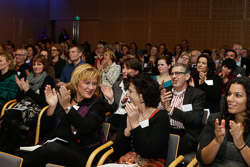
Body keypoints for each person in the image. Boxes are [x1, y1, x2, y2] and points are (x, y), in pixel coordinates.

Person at [22, 64, 108, 167]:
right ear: (76, 83)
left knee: (51, 149)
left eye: (94, 84)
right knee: (24, 151)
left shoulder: (98, 104)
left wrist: (67, 107)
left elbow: (85, 128)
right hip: (53, 147)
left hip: (81, 153)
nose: (91, 87)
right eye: (87, 83)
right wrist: (52, 107)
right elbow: (45, 128)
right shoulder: (67, 98)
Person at [0, 54, 54, 154]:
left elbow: (44, 101)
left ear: (44, 66)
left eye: (39, 64)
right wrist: (21, 90)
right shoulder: (28, 77)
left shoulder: (48, 80)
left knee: (7, 116)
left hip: (36, 110)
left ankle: (6, 147)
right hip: (22, 106)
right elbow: (19, 99)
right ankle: (14, 148)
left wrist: (28, 90)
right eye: (34, 64)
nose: (36, 67)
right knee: (12, 122)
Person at [113, 74, 170, 167]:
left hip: (152, 163)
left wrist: (135, 125)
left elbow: (148, 152)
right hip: (127, 162)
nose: (127, 95)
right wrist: (127, 131)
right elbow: (117, 152)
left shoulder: (161, 118)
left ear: (142, 96)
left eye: (131, 92)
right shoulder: (128, 115)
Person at [197, 77, 250, 167]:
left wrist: (241, 144)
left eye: (238, 95)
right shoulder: (216, 120)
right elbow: (203, 160)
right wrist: (217, 141)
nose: (229, 99)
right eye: (229, 94)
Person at [160, 63, 206, 155]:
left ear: (187, 76)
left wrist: (170, 109)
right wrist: (161, 105)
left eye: (177, 73)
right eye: (172, 73)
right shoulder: (165, 91)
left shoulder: (196, 94)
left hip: (185, 134)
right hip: (165, 130)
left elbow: (195, 119)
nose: (173, 76)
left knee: (162, 146)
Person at [101, 58, 143, 139]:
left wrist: (130, 102)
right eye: (123, 68)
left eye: (128, 68)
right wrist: (111, 100)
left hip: (132, 120)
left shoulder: (142, 86)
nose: (123, 71)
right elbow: (112, 110)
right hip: (115, 119)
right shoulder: (117, 85)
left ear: (137, 71)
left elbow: (144, 108)